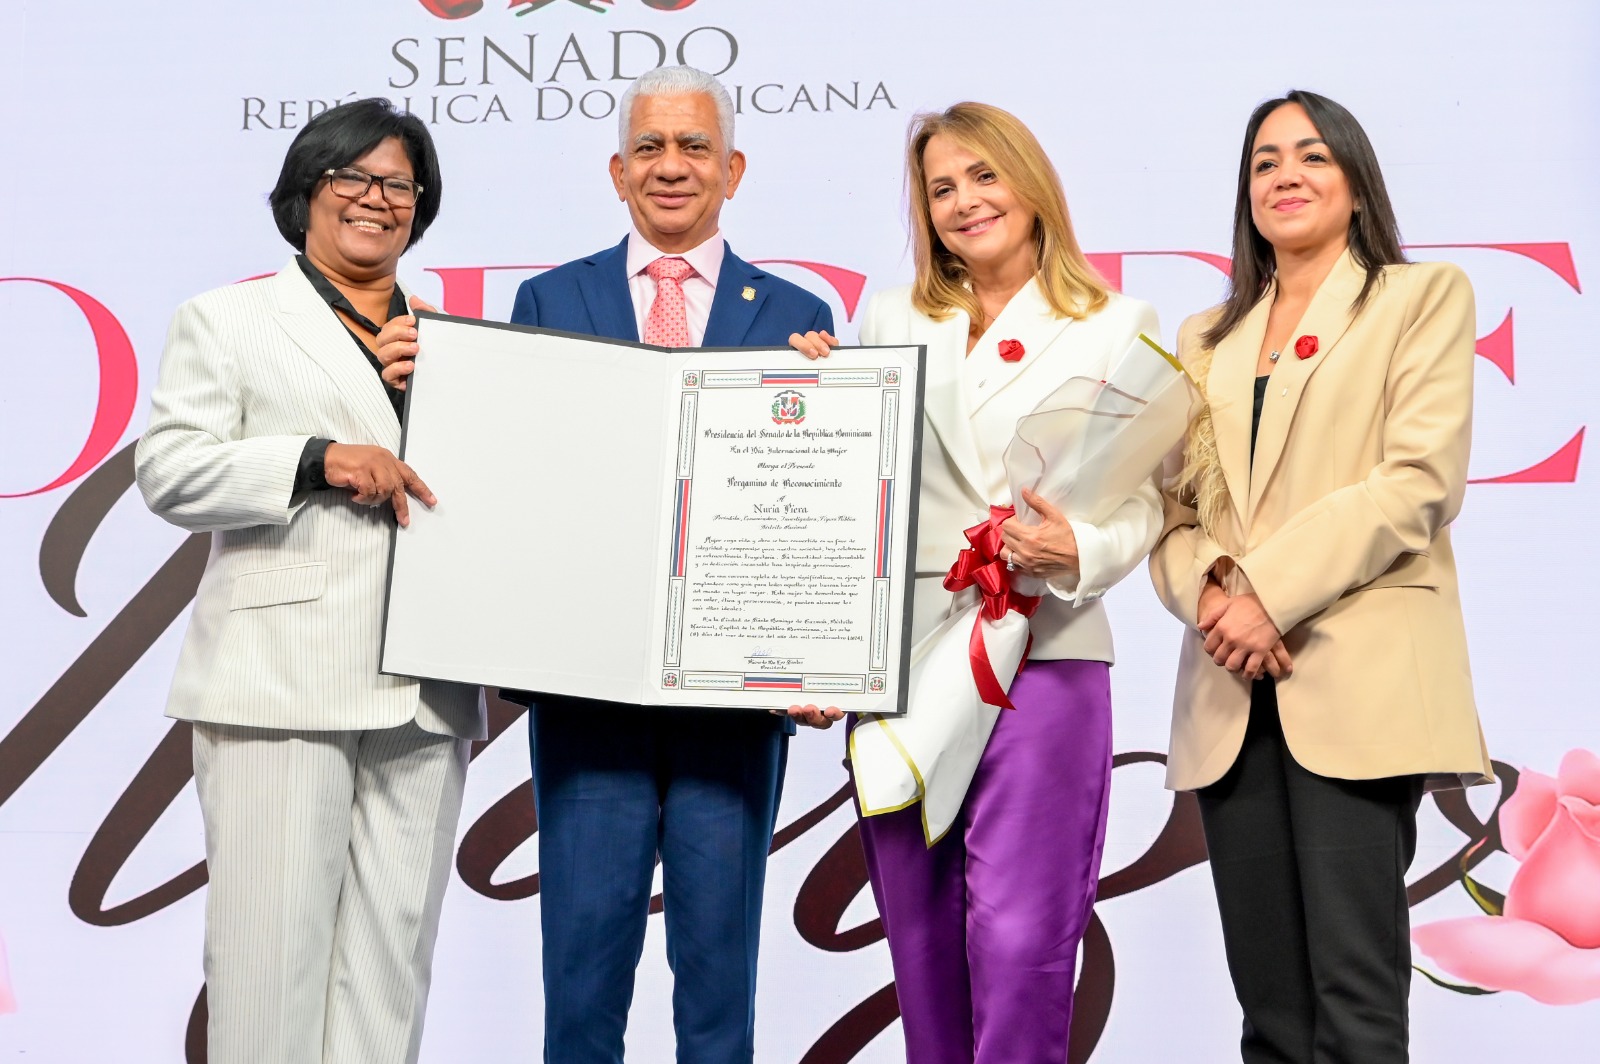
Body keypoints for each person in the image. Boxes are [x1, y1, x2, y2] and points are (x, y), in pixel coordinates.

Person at [789, 101, 1163, 1064]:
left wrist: (1075, 548)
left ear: (1032, 186)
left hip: (1043, 651)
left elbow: (1150, 503)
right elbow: (850, 495)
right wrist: (815, 402)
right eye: (940, 188)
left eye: (984, 177)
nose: (964, 202)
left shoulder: (1118, 325)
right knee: (920, 940)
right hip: (906, 658)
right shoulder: (888, 316)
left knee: (1022, 939)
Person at [481, 66, 829, 1064]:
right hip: (590, 694)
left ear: (733, 167)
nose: (670, 167)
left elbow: (814, 509)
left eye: (691, 147)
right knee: (583, 976)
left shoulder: (798, 315)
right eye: (648, 147)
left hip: (735, 695)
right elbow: (523, 478)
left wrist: (814, 656)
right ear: (615, 170)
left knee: (719, 981)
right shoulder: (551, 297)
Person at [135, 98, 483, 1064]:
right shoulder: (228, 318)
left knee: (391, 966)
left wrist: (440, 398)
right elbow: (168, 471)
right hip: (277, 679)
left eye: (399, 185)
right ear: (305, 194)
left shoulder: (457, 343)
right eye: (352, 178)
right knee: (268, 958)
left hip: (428, 689)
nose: (376, 200)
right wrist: (317, 458)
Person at [1148, 89, 1493, 1063]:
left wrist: (1264, 592)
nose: (1284, 176)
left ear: (1353, 179)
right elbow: (1171, 514)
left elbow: (1416, 482)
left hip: (1356, 678)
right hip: (1229, 687)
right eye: (1263, 162)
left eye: (1310, 156)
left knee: (1356, 1003)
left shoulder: (1421, 299)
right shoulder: (1201, 338)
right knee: (1270, 1014)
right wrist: (1216, 590)